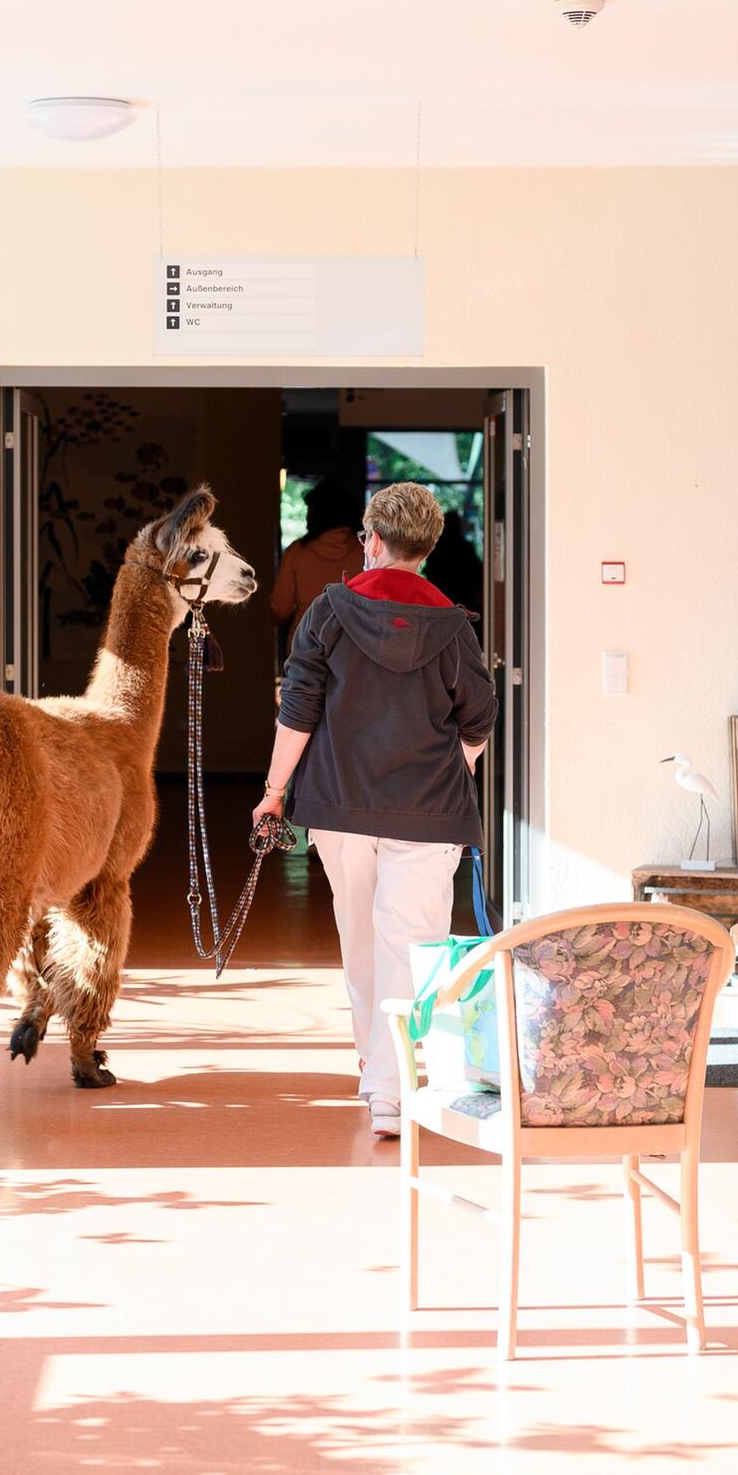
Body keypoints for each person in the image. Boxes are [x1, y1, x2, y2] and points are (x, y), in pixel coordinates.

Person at [252, 482, 498, 1138]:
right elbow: (479, 717)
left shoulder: (329, 611)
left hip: (339, 808)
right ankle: (396, 1088)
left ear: (375, 539)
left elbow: (298, 709)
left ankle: (379, 1081)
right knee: (411, 945)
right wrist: (455, 766)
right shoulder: (452, 624)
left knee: (359, 940)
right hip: (429, 811)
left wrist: (274, 792)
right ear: (428, 547)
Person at [269, 481, 364, 642]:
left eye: (308, 510)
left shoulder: (298, 552)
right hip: (352, 647)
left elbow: (280, 611)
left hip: (305, 645)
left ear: (315, 515)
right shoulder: (365, 551)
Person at [422, 509, 484, 626]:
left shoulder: (437, 549)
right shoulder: (465, 548)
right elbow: (477, 573)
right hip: (461, 602)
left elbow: (429, 573)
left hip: (441, 602)